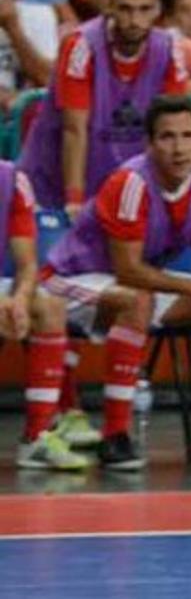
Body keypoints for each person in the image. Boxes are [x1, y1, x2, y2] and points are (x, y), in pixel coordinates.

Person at [40, 96, 191, 470]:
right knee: (137, 300)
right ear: (149, 143)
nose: (179, 148)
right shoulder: (131, 182)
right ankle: (115, 435)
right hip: (69, 281)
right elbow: (129, 270)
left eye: (188, 136)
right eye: (167, 137)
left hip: (137, 285)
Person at [19, 0, 189, 218]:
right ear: (109, 6)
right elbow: (74, 130)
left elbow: (173, 127)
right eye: (125, 9)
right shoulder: (81, 45)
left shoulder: (168, 49)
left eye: (144, 9)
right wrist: (74, 200)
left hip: (124, 191)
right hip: (53, 190)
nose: (135, 20)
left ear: (156, 10)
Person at [0, 160, 87, 471]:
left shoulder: (12, 180)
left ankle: (37, 437)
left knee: (50, 307)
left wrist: (20, 301)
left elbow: (27, 265)